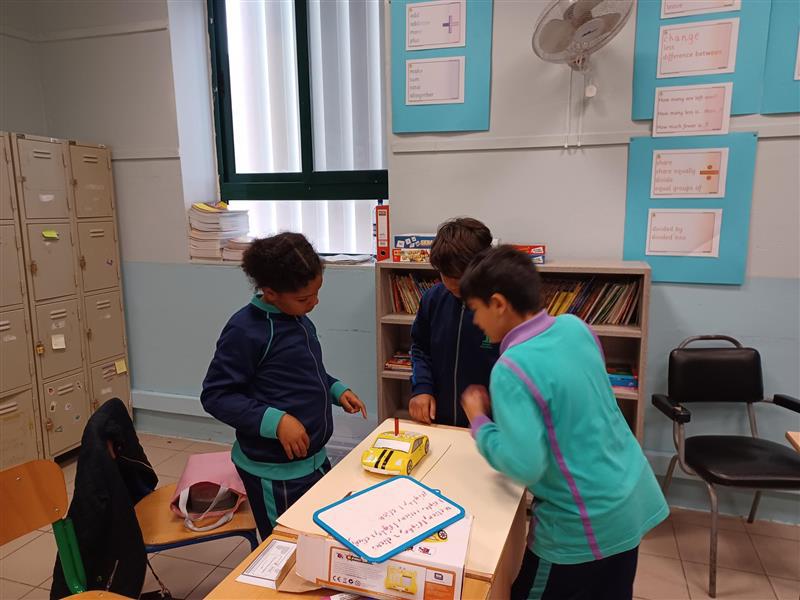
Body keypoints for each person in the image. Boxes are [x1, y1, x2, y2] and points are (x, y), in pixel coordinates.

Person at [459, 246, 668, 600]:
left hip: (582, 524)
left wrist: (480, 422)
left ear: (498, 304)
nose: (476, 322)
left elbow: (523, 465)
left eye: (475, 310)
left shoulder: (511, 367)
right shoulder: (576, 327)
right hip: (630, 500)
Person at [201, 232, 367, 539]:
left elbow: (303, 374)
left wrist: (334, 389)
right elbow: (216, 395)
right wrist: (276, 422)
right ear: (271, 292)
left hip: (313, 461)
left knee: (318, 537)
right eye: (304, 298)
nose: (314, 303)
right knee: (286, 544)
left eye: (317, 293)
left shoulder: (297, 319)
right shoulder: (245, 330)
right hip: (274, 473)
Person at [409, 217, 499, 427]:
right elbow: (420, 348)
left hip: (491, 425)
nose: (451, 283)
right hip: (440, 420)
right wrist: (422, 388)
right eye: (445, 274)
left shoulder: (500, 307)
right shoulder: (433, 299)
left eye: (459, 278)